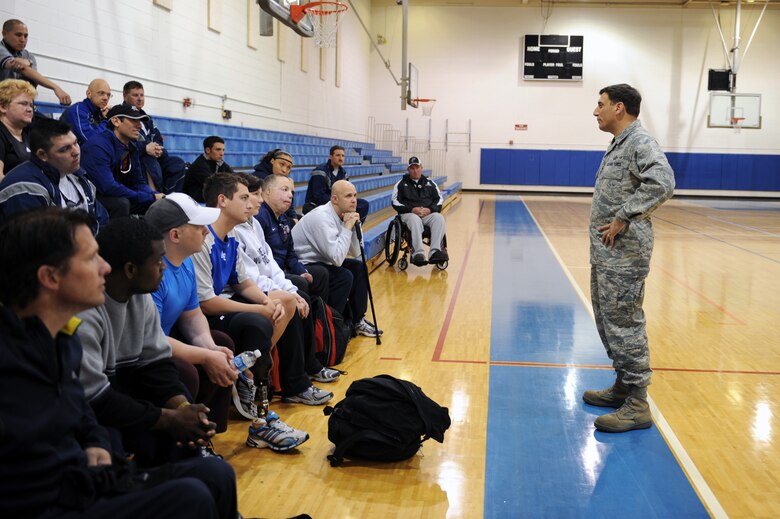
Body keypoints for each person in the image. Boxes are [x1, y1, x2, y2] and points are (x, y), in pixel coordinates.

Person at [0, 208, 237, 519]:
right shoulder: (12, 361)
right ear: (50, 277)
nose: (104, 267)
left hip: (85, 482)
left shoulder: (58, 338)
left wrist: (95, 443)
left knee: (215, 475)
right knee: (189, 497)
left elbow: (81, 412)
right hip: (57, 499)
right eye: (91, 259)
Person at [146, 192, 310, 451]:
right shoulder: (152, 272)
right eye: (198, 227)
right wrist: (204, 355)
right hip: (146, 350)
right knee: (191, 367)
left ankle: (217, 431)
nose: (204, 231)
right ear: (175, 236)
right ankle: (189, 442)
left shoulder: (185, 262)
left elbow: (193, 316)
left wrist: (210, 349)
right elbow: (149, 338)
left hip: (169, 336)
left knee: (221, 345)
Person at [76, 217, 223, 465]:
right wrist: (167, 418)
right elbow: (97, 400)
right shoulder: (85, 312)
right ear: (131, 270)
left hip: (125, 394)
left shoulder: (140, 296)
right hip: (92, 413)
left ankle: (193, 463)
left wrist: (183, 408)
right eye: (157, 262)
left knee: (181, 395)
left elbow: (156, 364)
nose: (163, 268)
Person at [192, 172, 333, 406]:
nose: (252, 203)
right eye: (245, 197)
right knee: (260, 320)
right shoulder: (204, 237)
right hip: (209, 309)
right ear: (222, 201)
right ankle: (252, 377)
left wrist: (267, 302)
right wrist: (261, 309)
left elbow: (243, 281)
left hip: (226, 298)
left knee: (286, 301)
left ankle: (259, 369)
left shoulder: (233, 233)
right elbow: (207, 302)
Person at [582, 83, 675, 433]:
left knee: (625, 322)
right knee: (609, 320)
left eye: (601, 104)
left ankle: (637, 402)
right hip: (608, 253)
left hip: (626, 254)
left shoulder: (640, 142)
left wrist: (624, 215)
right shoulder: (619, 143)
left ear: (619, 108)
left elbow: (663, 182)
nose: (596, 111)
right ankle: (623, 385)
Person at [233, 173, 341, 384]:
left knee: (301, 293)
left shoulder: (254, 223)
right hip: (244, 291)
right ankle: (293, 381)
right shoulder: (240, 228)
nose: (258, 200)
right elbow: (249, 278)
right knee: (292, 298)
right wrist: (287, 293)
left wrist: (289, 289)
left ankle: (311, 363)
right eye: (250, 196)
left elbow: (270, 263)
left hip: (262, 283)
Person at [292, 179, 382, 338]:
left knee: (359, 267)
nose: (354, 200)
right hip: (303, 263)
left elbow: (354, 252)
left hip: (322, 259)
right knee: (344, 276)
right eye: (348, 196)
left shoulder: (346, 215)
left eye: (355, 195)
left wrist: (354, 227)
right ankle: (332, 323)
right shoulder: (321, 217)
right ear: (335, 199)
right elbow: (337, 259)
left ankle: (357, 320)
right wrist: (347, 227)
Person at [0, 117, 107, 230]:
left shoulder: (78, 176)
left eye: (75, 143)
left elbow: (102, 219)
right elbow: (37, 242)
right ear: (42, 155)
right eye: (65, 149)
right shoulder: (25, 188)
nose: (76, 152)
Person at [257, 173, 330, 302]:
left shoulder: (284, 218)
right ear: (267, 191)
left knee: (321, 274)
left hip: (285, 269)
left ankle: (320, 317)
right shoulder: (260, 217)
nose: (290, 195)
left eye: (291, 192)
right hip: (269, 274)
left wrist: (301, 271)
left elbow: (291, 253)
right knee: (300, 283)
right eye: (285, 190)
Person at [80, 103, 163, 218]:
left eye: (140, 121)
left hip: (114, 193)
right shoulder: (99, 146)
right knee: (121, 204)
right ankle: (115, 235)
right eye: (134, 120)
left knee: (158, 204)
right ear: (116, 121)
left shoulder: (130, 146)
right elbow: (108, 187)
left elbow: (138, 182)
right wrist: (150, 197)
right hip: (91, 197)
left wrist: (156, 196)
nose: (139, 126)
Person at [122, 80, 186, 194]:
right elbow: (123, 142)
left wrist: (158, 150)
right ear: (125, 96)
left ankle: (171, 197)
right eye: (135, 95)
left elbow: (158, 139)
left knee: (178, 163)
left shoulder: (147, 119)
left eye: (142, 95)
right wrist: (145, 148)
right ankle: (157, 197)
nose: (140, 98)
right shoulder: (121, 116)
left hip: (154, 157)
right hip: (135, 158)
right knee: (148, 161)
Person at [391, 156, 448, 266]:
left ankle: (435, 252)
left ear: (421, 168)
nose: (415, 170)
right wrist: (412, 209)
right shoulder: (401, 184)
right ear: (408, 170)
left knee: (439, 218)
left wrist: (430, 209)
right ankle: (417, 253)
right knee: (414, 219)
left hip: (427, 214)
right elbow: (395, 202)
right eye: (412, 168)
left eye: (417, 167)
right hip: (409, 215)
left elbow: (439, 200)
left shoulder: (431, 184)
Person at [0, 19, 71, 105]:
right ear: (4, 34)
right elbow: (23, 69)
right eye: (18, 35)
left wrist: (28, 62)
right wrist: (55, 87)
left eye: (26, 36)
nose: (23, 40)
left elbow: (33, 80)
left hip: (21, 105)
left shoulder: (29, 56)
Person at [303, 144, 368, 221]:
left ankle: (352, 229)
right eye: (338, 155)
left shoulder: (343, 173)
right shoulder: (320, 171)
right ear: (330, 157)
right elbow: (319, 196)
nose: (341, 158)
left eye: (343, 156)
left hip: (336, 202)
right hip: (317, 205)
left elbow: (346, 192)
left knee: (363, 204)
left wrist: (345, 203)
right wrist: (340, 204)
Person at [253, 148, 299, 223]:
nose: (284, 170)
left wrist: (294, 217)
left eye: (288, 167)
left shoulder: (281, 179)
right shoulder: (259, 179)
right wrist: (292, 190)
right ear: (272, 161)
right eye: (282, 164)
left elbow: (288, 206)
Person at [182, 135, 234, 203]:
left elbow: (235, 177)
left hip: (209, 199)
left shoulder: (218, 162)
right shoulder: (199, 165)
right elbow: (214, 184)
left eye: (223, 150)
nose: (222, 153)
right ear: (208, 150)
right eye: (218, 150)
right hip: (196, 203)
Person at [0, 78, 34, 178]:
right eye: (23, 104)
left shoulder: (28, 133)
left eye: (31, 105)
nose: (29, 109)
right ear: (3, 107)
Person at [60, 78, 112, 144]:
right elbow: (90, 140)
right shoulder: (78, 111)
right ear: (89, 94)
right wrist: (105, 120)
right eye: (101, 93)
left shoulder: (99, 112)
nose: (106, 98)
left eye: (108, 95)